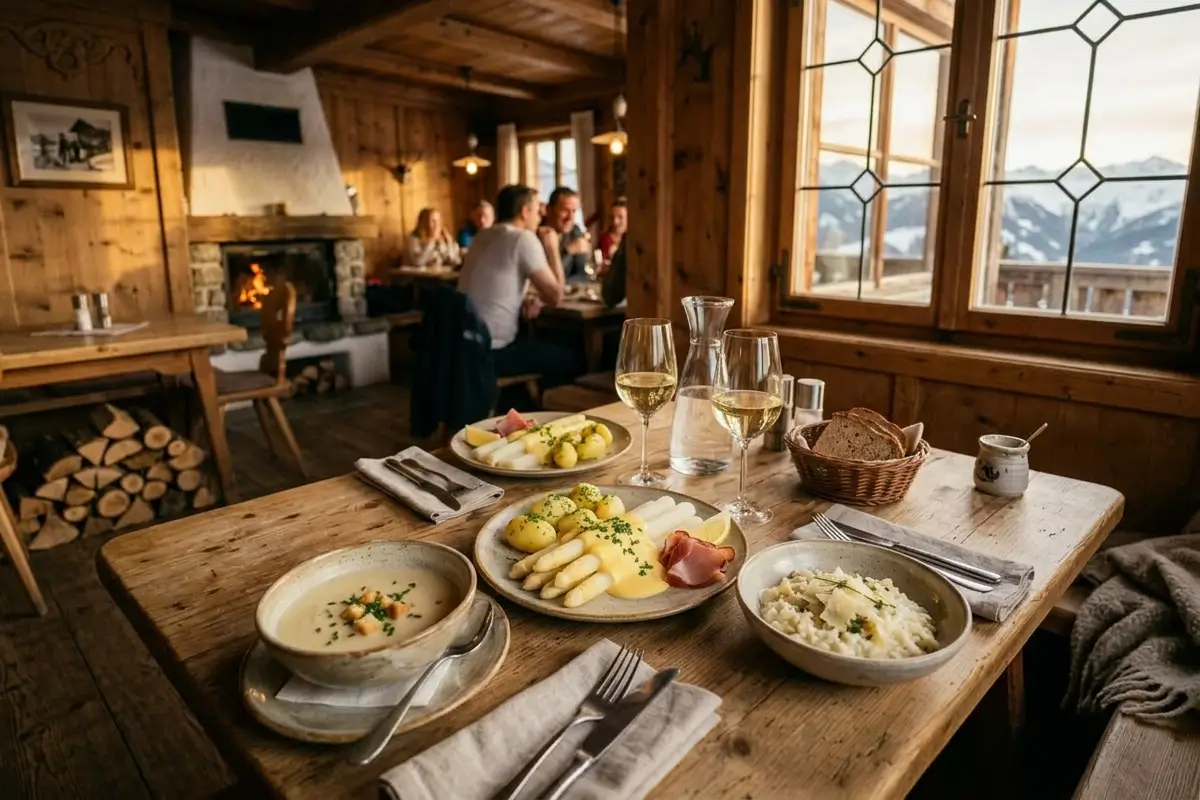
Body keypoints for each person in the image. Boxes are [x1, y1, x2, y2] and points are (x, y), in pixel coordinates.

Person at [458, 184, 580, 389]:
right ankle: (547, 415)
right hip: (492, 352)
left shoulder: (483, 236)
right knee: (571, 359)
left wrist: (526, 298)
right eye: (535, 210)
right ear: (524, 212)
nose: (539, 215)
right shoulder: (522, 238)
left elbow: (498, 281)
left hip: (462, 346)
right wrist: (552, 249)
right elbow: (556, 296)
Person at [541, 186, 592, 283]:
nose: (570, 218)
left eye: (574, 211)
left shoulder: (575, 231)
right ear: (548, 210)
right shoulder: (537, 234)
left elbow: (582, 275)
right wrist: (568, 251)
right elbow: (546, 278)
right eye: (565, 211)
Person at [598, 197, 627, 262]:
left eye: (620, 217)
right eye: (612, 217)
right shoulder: (605, 239)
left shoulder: (635, 239)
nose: (615, 222)